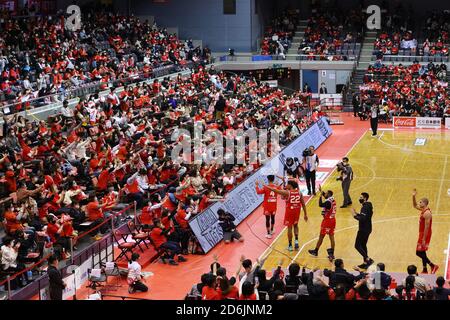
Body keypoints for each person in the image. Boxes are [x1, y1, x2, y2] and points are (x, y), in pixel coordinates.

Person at [266, 180, 308, 251]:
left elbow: (275, 190)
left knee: (289, 228)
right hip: (297, 211)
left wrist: (265, 185)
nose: (286, 185)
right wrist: (305, 214)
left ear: (290, 185)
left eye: (288, 184)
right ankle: (296, 241)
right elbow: (303, 204)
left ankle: (290, 245)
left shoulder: (287, 192)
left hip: (290, 211)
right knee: (295, 225)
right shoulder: (299, 192)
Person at [412, 189, 438, 274]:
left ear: (425, 203)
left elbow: (427, 227)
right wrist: (413, 196)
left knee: (418, 252)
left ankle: (432, 265)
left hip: (425, 234)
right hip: (422, 233)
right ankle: (425, 269)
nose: (419, 204)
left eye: (420, 202)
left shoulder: (427, 213)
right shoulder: (423, 210)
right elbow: (414, 206)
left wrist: (423, 239)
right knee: (422, 251)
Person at [308, 186, 337, 261]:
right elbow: (325, 196)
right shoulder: (332, 199)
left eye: (326, 193)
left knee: (321, 236)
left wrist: (320, 196)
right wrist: (321, 191)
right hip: (333, 219)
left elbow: (320, 204)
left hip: (327, 221)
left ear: (329, 194)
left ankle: (316, 251)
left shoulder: (327, 202)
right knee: (331, 237)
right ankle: (332, 253)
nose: (325, 194)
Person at [351, 192, 374, 269]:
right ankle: (365, 262)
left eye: (361, 197)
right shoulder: (369, 205)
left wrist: (354, 215)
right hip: (368, 228)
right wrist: (357, 213)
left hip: (363, 229)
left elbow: (363, 219)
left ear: (365, 198)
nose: (359, 199)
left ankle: (368, 259)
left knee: (357, 245)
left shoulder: (365, 207)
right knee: (363, 245)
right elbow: (365, 216)